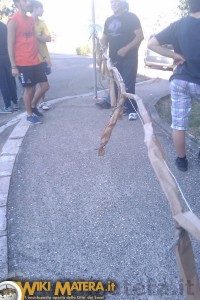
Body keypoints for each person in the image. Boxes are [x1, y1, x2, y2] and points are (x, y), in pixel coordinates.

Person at [148, 0, 200, 172]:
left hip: (180, 80)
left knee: (179, 122)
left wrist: (175, 55)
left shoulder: (178, 25)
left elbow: (151, 44)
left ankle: (182, 161)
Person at [97, 0, 144, 121]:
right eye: (112, 2)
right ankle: (119, 109)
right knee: (116, 85)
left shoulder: (131, 17)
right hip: (114, 58)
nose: (114, 4)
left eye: (117, 1)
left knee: (128, 84)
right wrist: (101, 45)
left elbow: (140, 36)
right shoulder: (108, 20)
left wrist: (126, 48)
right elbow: (105, 37)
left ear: (122, 3)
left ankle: (132, 110)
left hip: (129, 58)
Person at [7, 0, 49, 124]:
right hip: (22, 63)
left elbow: (34, 40)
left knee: (45, 86)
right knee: (29, 90)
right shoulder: (13, 21)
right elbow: (10, 45)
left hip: (35, 60)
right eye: (25, 1)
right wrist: (13, 66)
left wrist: (44, 56)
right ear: (18, 3)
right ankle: (29, 114)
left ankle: (32, 105)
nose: (29, 3)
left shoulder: (31, 20)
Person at [30, 0, 52, 111]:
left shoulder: (42, 23)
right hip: (31, 58)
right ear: (35, 8)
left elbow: (49, 38)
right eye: (41, 8)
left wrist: (36, 36)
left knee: (43, 83)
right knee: (34, 85)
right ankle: (32, 105)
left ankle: (41, 102)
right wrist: (39, 36)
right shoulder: (28, 22)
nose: (43, 10)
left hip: (43, 57)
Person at [0, 21, 19, 113]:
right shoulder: (4, 26)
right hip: (8, 56)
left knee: (3, 82)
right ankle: (15, 103)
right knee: (11, 81)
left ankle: (8, 106)